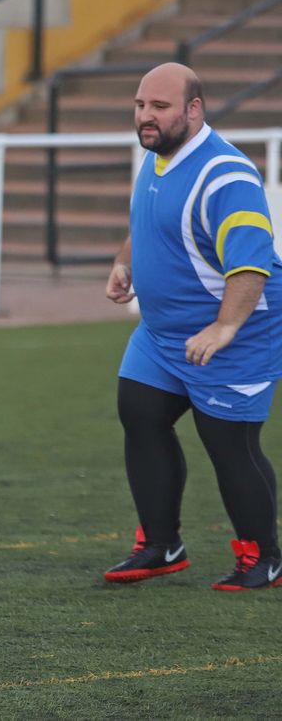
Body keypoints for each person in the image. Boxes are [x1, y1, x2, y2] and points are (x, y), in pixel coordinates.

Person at [103, 61, 282, 590]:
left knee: (230, 443)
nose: (146, 116)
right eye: (140, 105)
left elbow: (250, 264)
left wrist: (225, 329)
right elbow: (147, 221)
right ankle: (162, 545)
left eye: (159, 106)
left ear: (194, 109)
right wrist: (124, 263)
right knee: (140, 413)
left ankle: (264, 558)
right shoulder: (158, 156)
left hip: (237, 335)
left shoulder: (226, 175)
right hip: (164, 335)